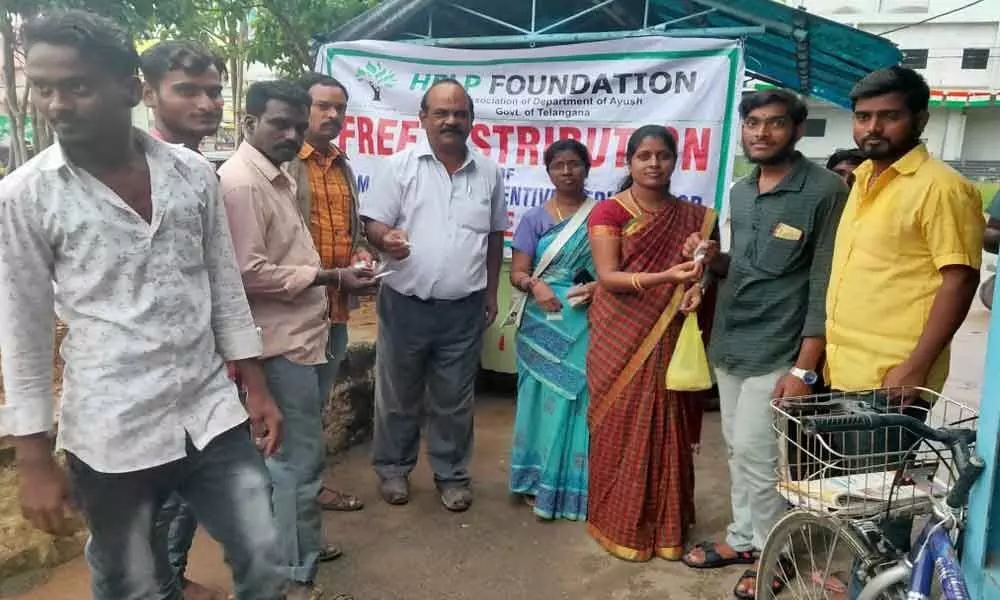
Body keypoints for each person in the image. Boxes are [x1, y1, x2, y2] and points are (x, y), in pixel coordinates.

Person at [0, 10, 287, 600]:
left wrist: (254, 384)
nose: (56, 104)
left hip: (209, 412)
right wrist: (32, 453)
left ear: (129, 90)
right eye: (45, 88)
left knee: (264, 553)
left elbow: (223, 284)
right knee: (131, 584)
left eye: (77, 86)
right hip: (112, 431)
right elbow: (22, 325)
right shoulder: (26, 196)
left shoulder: (191, 174)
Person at [679, 89, 848, 600]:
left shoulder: (824, 191)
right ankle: (744, 538)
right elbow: (745, 265)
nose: (761, 133)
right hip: (732, 342)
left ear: (797, 130)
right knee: (736, 447)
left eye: (774, 123)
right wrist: (713, 256)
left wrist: (806, 368)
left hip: (780, 347)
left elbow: (824, 283)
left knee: (758, 454)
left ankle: (777, 553)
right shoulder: (741, 190)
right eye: (753, 123)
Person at [825, 66, 983, 598]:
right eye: (863, 117)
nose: (873, 127)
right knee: (861, 508)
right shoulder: (865, 179)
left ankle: (875, 590)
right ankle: (863, 585)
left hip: (892, 378)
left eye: (888, 116)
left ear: (919, 117)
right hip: (846, 369)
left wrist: (915, 366)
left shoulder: (942, 188)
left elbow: (959, 279)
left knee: (884, 515)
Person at [220, 80, 375, 600]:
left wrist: (345, 268)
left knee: (287, 460)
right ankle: (295, 573)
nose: (289, 133)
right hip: (278, 342)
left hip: (307, 332)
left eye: (294, 124)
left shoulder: (278, 174)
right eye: (277, 124)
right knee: (296, 463)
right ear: (249, 123)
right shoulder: (242, 182)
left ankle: (292, 550)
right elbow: (247, 272)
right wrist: (330, 278)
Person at [362, 78, 507, 512]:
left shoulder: (489, 172)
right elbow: (372, 225)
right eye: (441, 112)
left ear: (471, 120)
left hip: (463, 308)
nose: (450, 120)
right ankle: (392, 469)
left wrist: (489, 291)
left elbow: (496, 234)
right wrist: (384, 239)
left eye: (459, 113)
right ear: (422, 118)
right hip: (404, 303)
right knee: (398, 394)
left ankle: (452, 475)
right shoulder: (398, 166)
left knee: (455, 400)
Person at [585, 125, 710, 562]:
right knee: (620, 422)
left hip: (670, 332)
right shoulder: (609, 213)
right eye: (644, 156)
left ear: (676, 160)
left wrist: (698, 281)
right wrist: (666, 277)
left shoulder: (695, 219)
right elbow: (608, 277)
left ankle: (667, 526)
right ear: (630, 162)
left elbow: (700, 279)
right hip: (620, 332)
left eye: (663, 155)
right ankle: (617, 522)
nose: (654, 164)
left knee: (667, 424)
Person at [140, 39, 231, 600]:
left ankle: (169, 579)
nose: (205, 103)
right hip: (149, 367)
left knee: (181, 488)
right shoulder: (133, 167)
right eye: (187, 90)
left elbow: (212, 273)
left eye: (214, 92)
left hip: (198, 361)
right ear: (147, 93)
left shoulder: (197, 168)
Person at [286, 73, 370, 514]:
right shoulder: (283, 164)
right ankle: (288, 502)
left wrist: (359, 254)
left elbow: (350, 232)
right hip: (292, 311)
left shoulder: (342, 165)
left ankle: (306, 491)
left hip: (335, 308)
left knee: (315, 405)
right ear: (301, 108)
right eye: (323, 106)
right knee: (290, 414)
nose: (333, 115)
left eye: (340, 107)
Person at [507, 139, 597, 521]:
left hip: (585, 319)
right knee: (539, 399)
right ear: (548, 171)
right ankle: (536, 481)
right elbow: (517, 273)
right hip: (540, 320)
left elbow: (612, 268)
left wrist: (596, 286)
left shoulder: (602, 215)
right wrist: (535, 285)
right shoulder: (534, 219)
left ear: (586, 168)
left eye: (573, 164)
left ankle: (575, 485)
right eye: (558, 165)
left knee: (579, 399)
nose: (566, 171)